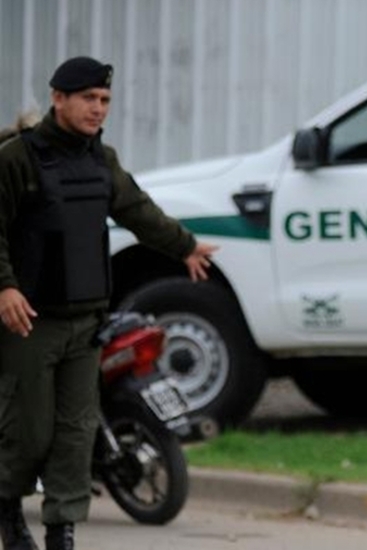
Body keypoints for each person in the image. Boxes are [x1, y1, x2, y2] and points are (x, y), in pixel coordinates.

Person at [0, 56, 217, 550]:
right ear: (58, 99)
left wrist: (184, 246)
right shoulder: (16, 159)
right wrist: (5, 286)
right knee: (29, 432)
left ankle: (61, 531)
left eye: (105, 100)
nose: (98, 109)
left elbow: (137, 210)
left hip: (87, 321)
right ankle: (9, 512)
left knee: (76, 435)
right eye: (89, 99)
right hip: (29, 322)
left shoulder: (102, 160)